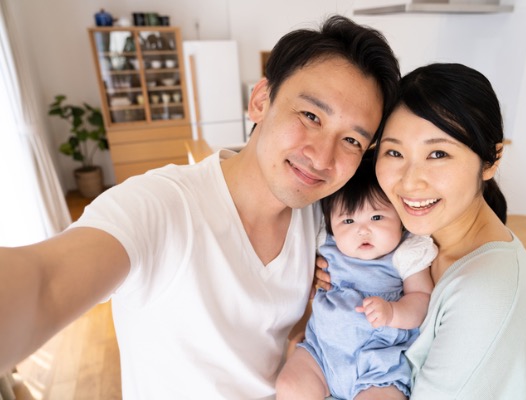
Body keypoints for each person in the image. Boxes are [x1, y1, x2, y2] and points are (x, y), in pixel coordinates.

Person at [0, 15, 400, 399]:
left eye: (351, 140)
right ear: (261, 100)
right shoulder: (162, 205)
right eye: (311, 115)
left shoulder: (321, 218)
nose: (322, 157)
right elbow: (46, 283)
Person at [316, 63, 526, 399]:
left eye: (438, 154)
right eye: (394, 152)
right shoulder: (415, 241)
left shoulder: (486, 294)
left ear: (491, 160)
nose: (410, 181)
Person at [276, 149, 437, 400]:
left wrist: (393, 312)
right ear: (331, 225)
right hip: (322, 353)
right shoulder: (326, 245)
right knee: (289, 385)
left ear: (400, 218)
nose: (363, 231)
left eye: (376, 217)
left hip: (378, 363)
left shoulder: (406, 253)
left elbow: (422, 299)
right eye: (348, 222)